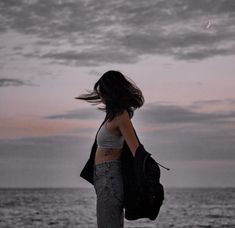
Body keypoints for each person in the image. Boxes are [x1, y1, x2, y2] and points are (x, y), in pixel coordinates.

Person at [76, 70, 144, 228]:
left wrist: (147, 177)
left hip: (109, 177)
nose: (101, 97)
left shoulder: (121, 116)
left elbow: (136, 150)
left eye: (103, 92)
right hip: (104, 178)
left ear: (112, 91)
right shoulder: (112, 116)